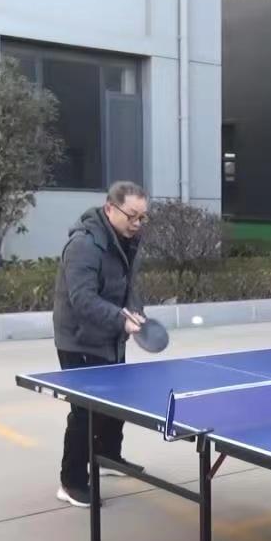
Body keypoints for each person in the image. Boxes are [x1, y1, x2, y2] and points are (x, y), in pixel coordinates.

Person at [52, 181, 151, 507]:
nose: (137, 223)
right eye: (132, 215)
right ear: (110, 208)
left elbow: (129, 285)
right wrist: (120, 320)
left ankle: (108, 455)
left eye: (142, 217)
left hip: (110, 334)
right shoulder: (83, 245)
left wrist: (135, 311)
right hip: (79, 339)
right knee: (85, 412)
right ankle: (71, 482)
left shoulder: (127, 239)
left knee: (116, 400)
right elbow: (82, 299)